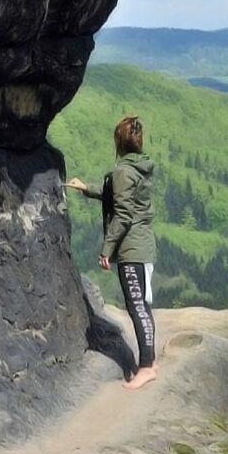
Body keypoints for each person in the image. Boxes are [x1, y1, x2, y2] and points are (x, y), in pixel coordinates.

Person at [66, 115, 157, 390]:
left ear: (118, 142)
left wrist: (107, 249)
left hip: (131, 249)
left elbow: (123, 214)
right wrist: (87, 188)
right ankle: (151, 362)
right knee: (143, 305)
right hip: (144, 247)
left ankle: (147, 367)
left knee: (136, 306)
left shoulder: (123, 172)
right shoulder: (138, 168)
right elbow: (118, 195)